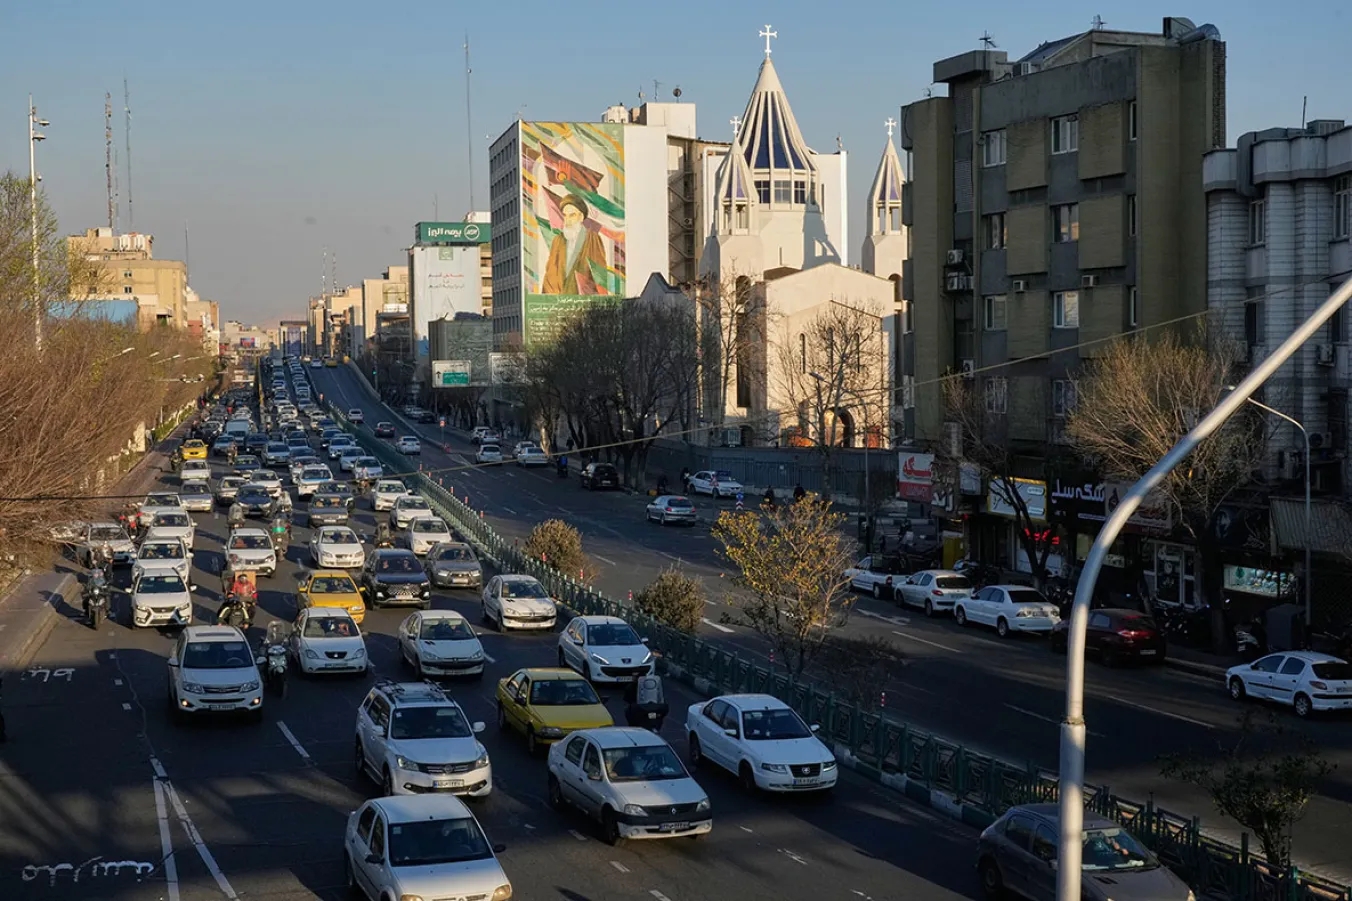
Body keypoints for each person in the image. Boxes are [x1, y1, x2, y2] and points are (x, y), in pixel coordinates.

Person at [542, 194, 610, 295]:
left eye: (572, 215)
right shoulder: (558, 240)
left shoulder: (592, 239)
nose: (567, 220)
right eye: (565, 215)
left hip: (584, 300)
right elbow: (550, 274)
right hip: (559, 300)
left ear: (581, 217)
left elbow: (600, 277)